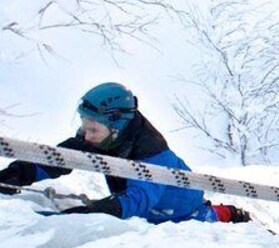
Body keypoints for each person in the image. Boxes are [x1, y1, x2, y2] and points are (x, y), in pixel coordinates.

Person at [0, 82, 250, 224]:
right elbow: (58, 160)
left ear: (116, 125)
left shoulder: (153, 155)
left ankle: (230, 213)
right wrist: (13, 176)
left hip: (180, 213)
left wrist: (84, 215)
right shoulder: (102, 136)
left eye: (92, 128)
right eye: (84, 126)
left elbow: (138, 201)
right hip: (157, 205)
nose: (85, 135)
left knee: (206, 218)